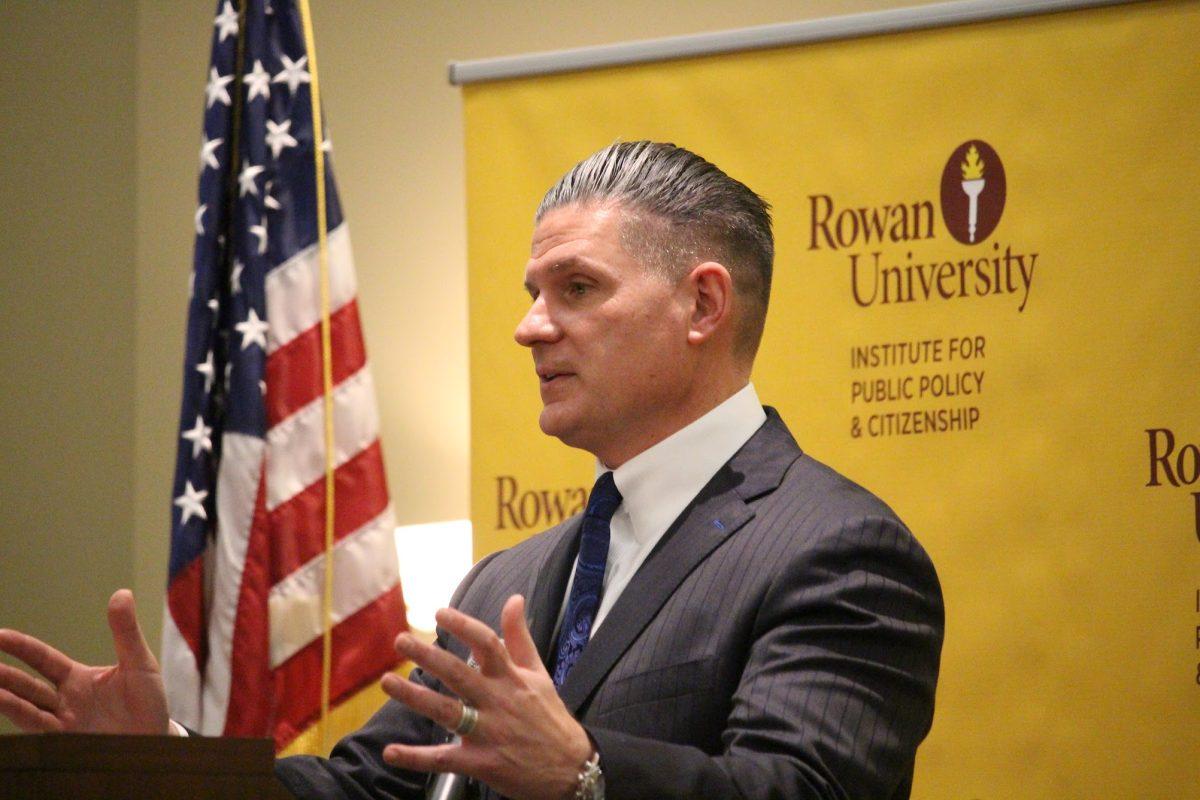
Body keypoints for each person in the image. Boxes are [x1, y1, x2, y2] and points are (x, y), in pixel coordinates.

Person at [0, 142, 943, 799]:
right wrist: (158, 762)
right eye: (533, 293)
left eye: (576, 288)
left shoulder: (837, 551)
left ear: (703, 304)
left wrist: (585, 773)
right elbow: (373, 789)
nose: (531, 326)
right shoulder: (509, 582)